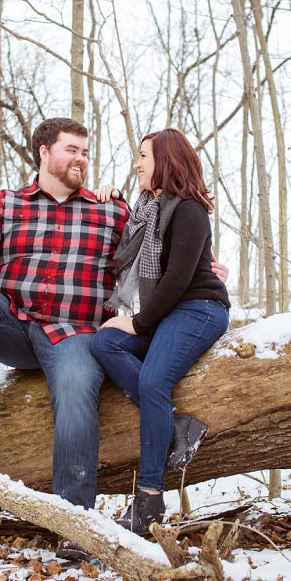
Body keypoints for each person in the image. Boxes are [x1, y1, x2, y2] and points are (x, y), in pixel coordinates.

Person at [0, 117, 128, 561]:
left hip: (75, 333)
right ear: (43, 151)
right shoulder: (8, 204)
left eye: (86, 152)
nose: (81, 159)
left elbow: (155, 247)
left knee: (76, 389)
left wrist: (203, 265)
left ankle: (75, 522)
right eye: (71, 149)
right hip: (14, 323)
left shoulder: (109, 210)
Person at [89, 128, 230, 535]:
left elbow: (177, 279)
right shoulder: (147, 210)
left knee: (153, 379)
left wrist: (137, 321)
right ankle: (177, 425)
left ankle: (149, 499)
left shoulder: (189, 210)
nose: (137, 164)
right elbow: (127, 237)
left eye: (144, 157)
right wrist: (110, 196)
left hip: (200, 308)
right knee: (105, 341)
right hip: (168, 312)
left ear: (165, 162)